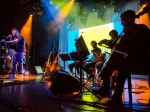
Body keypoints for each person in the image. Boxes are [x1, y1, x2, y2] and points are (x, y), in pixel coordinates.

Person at [97, 10, 150, 105]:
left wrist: (132, 35)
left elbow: (143, 46)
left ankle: (117, 96)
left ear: (129, 18)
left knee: (124, 63)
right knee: (113, 63)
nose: (121, 23)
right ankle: (105, 89)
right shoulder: (128, 32)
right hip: (133, 60)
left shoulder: (141, 28)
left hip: (143, 60)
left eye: (122, 20)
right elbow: (121, 46)